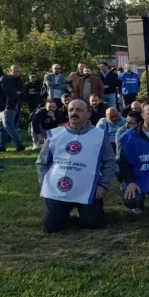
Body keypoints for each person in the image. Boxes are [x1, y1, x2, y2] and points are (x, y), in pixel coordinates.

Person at [36, 99, 116, 233]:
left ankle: (85, 212)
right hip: (58, 189)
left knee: (93, 223)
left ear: (88, 114)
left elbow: (110, 161)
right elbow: (42, 162)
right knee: (51, 226)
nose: (74, 113)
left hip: (88, 189)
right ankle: (61, 212)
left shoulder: (99, 136)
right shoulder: (55, 134)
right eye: (71, 110)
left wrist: (103, 184)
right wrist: (45, 184)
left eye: (79, 110)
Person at [0, 64, 25, 152]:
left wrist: (8, 107)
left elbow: (12, 95)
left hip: (7, 108)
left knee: (8, 127)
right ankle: (1, 146)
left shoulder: (4, 79)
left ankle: (19, 145)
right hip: (1, 109)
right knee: (1, 128)